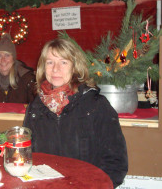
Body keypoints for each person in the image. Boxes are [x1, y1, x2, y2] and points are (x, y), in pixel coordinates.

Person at [23, 38, 128, 188]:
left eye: (63, 62)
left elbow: (116, 163)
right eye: (50, 62)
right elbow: (29, 158)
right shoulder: (36, 108)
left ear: (75, 67)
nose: (55, 69)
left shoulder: (96, 105)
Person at [0, 33, 36, 103]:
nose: (3, 60)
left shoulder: (27, 79)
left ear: (13, 58)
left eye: (7, 55)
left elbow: (35, 109)